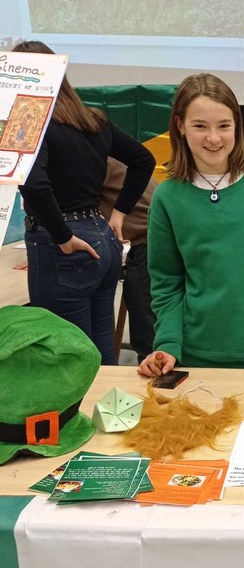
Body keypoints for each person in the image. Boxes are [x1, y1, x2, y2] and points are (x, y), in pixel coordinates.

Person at [137, 73, 244, 375]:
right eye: (200, 126)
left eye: (224, 126)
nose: (214, 138)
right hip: (192, 356)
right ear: (180, 126)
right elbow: (166, 282)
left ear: (237, 126)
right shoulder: (167, 197)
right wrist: (168, 343)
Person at [15, 41, 155, 365]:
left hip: (64, 244)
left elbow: (34, 184)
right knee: (101, 353)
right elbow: (143, 160)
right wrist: (118, 215)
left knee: (66, 358)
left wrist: (62, 237)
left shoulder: (32, 124)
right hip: (101, 237)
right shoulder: (93, 121)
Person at [99, 157, 158, 362]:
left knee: (149, 334)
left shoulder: (96, 157)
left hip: (148, 242)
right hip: (151, 238)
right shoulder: (117, 154)